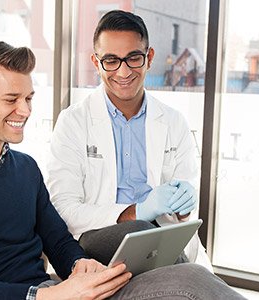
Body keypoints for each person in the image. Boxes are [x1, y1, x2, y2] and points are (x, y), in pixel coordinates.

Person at [0, 39, 245, 299]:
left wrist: (80, 266)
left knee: (184, 276)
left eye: (29, 98)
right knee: (186, 286)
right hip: (35, 297)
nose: (25, 110)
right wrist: (45, 296)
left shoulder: (24, 167)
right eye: (11, 99)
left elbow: (60, 241)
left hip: (55, 291)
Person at [46, 9, 212, 269]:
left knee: (177, 270)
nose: (123, 72)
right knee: (154, 243)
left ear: (149, 58)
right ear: (95, 62)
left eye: (133, 58)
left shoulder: (173, 121)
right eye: (111, 60)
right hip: (99, 236)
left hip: (161, 236)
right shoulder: (73, 122)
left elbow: (183, 211)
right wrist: (136, 211)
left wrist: (183, 206)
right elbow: (63, 210)